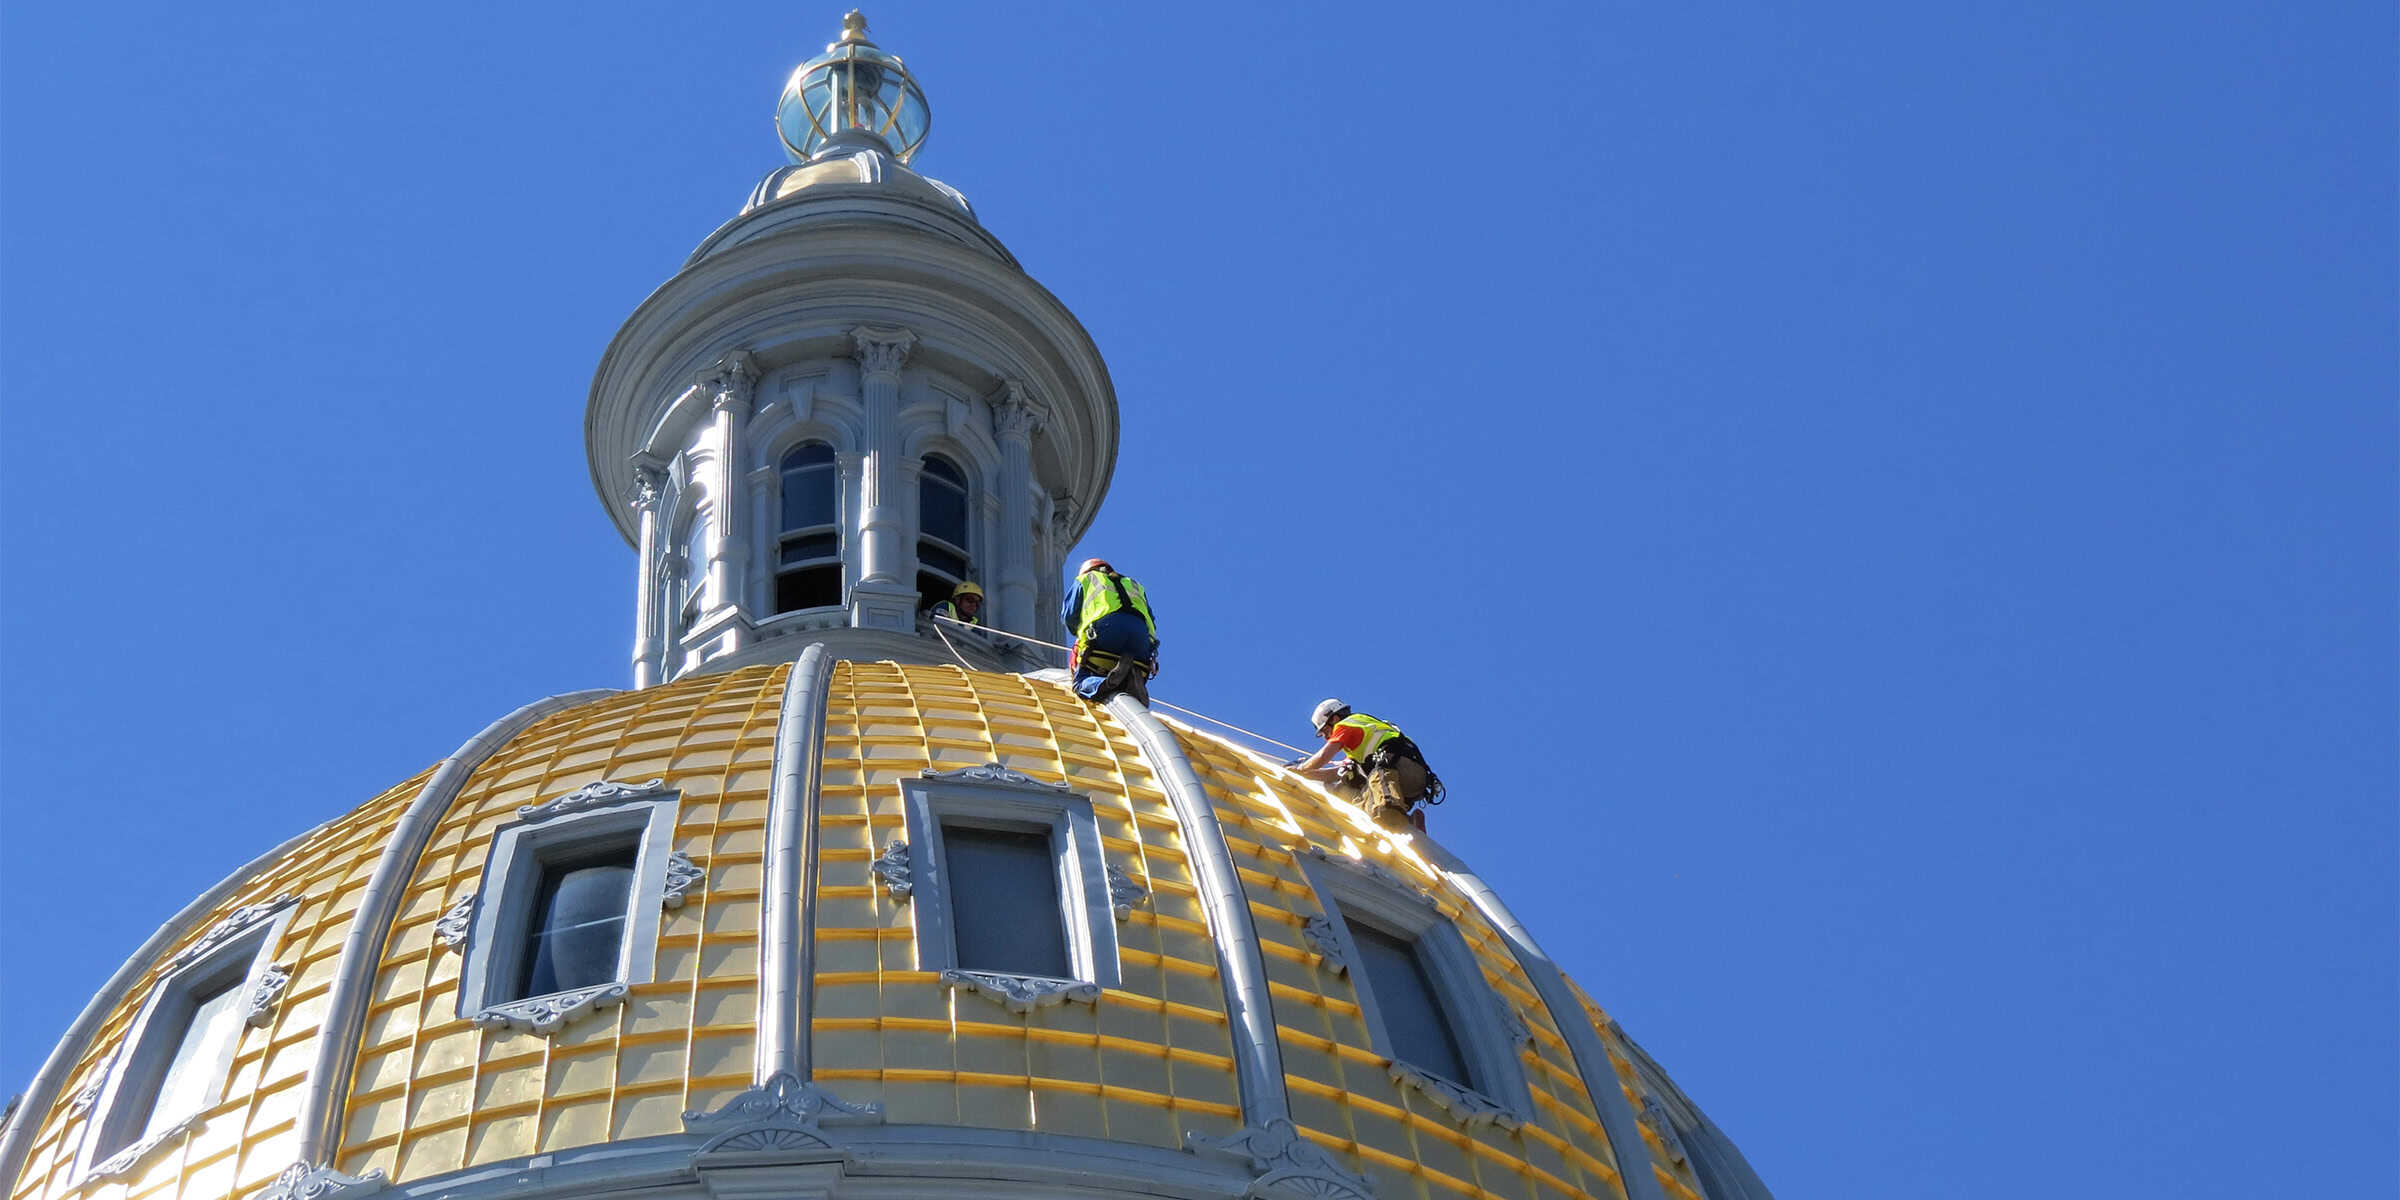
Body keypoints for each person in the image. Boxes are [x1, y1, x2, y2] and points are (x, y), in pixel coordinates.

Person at [1288, 699, 1441, 829]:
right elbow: (1338, 773)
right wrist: (1305, 775)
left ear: (1334, 719)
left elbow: (1323, 756)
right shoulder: (1363, 735)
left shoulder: (1346, 725)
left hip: (1397, 771)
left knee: (1381, 809)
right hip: (1411, 780)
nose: (1327, 738)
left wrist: (1301, 768)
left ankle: (1388, 811)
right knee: (1350, 791)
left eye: (1326, 731)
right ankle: (1410, 823)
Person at [1061, 558, 1157, 705]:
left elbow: (1070, 617)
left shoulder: (1086, 579)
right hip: (1141, 640)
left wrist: (1082, 637)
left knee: (1079, 682)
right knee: (1131, 657)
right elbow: (1151, 619)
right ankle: (1130, 679)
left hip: (1107, 631)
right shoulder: (1134, 585)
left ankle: (1104, 683)